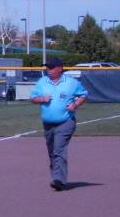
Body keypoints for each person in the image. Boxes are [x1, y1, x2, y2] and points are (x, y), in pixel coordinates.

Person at [29, 57, 88, 191]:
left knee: (58, 150)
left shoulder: (71, 83)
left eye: (51, 67)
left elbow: (84, 94)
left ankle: (59, 180)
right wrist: (42, 99)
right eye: (47, 67)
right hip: (48, 124)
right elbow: (32, 98)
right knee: (52, 152)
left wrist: (75, 104)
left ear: (60, 68)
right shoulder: (42, 81)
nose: (48, 70)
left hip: (66, 122)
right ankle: (56, 177)